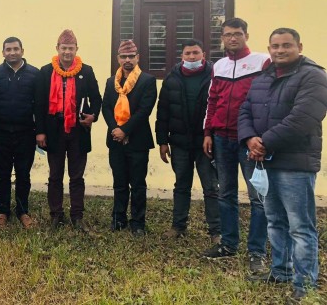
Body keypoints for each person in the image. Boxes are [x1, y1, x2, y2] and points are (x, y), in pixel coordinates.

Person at [239, 28, 327, 302]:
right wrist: (249, 138)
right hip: (266, 162)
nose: (280, 50)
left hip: (295, 164)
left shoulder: (313, 76)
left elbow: (303, 118)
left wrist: (263, 142)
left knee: (300, 226)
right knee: (275, 220)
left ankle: (305, 284)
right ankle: (281, 271)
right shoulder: (263, 77)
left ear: (299, 46)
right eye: (275, 46)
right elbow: (245, 110)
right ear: (269, 49)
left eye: (286, 45)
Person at [201, 18, 270, 275]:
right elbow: (212, 101)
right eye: (228, 34)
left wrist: (261, 136)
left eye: (238, 34)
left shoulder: (262, 62)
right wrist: (208, 132)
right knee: (226, 192)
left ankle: (257, 252)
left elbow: (268, 100)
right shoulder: (218, 66)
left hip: (249, 140)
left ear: (246, 35)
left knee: (258, 197)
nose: (232, 38)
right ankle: (228, 244)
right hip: (221, 138)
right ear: (222, 38)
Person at [35, 30, 102, 232]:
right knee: (55, 175)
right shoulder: (46, 72)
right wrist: (40, 132)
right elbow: (39, 104)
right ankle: (56, 214)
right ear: (57, 48)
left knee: (77, 176)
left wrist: (93, 116)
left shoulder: (86, 71)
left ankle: (77, 216)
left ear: (76, 49)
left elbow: (96, 99)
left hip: (78, 131)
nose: (67, 52)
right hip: (54, 130)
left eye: (70, 48)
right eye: (63, 48)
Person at [155, 39, 220, 241]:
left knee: (211, 187)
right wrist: (162, 141)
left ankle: (216, 230)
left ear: (203, 54)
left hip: (206, 143)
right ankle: (178, 226)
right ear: (182, 56)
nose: (192, 57)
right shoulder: (172, 78)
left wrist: (213, 136)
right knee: (181, 186)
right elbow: (163, 111)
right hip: (180, 143)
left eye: (195, 53)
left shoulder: (215, 76)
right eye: (188, 53)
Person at [101, 40, 157, 236]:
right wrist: (115, 129)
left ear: (137, 58)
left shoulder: (147, 81)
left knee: (138, 184)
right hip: (115, 141)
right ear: (118, 58)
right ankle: (118, 219)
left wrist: (125, 130)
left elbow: (144, 111)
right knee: (119, 182)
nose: (127, 60)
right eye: (123, 56)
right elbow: (106, 107)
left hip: (138, 140)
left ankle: (138, 223)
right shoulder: (111, 82)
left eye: (131, 56)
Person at [0, 36, 40, 229]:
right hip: (0, 133)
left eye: (15, 49)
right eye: (8, 49)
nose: (12, 52)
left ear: (22, 51)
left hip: (26, 133)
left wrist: (40, 131)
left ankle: (22, 211)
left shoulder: (34, 74)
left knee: (23, 174)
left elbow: (40, 106)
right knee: (2, 174)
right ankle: (2, 211)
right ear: (3, 52)